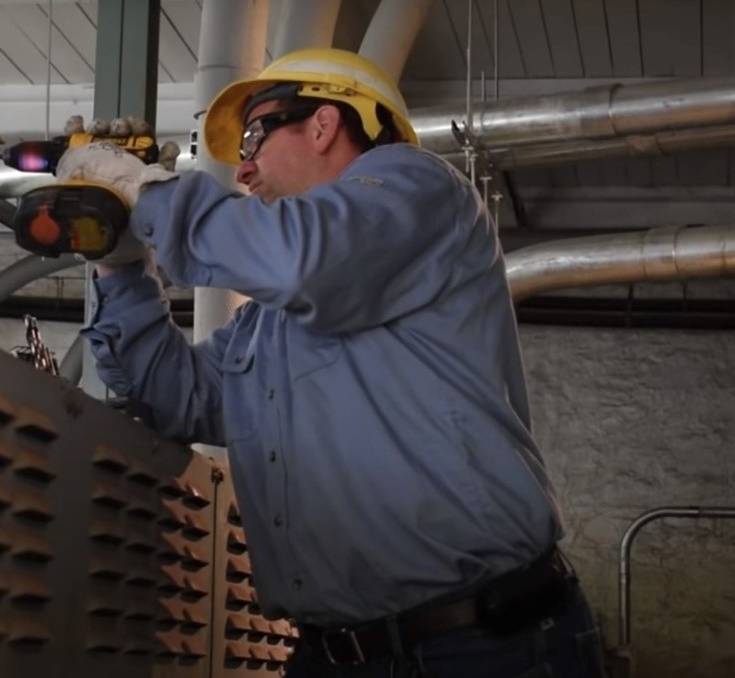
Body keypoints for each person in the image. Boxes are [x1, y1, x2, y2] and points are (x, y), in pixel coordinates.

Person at [57, 49, 605, 677]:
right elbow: (173, 397)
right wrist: (121, 262)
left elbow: (299, 258)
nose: (244, 168)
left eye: (255, 135)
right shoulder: (267, 323)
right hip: (336, 652)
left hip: (482, 646)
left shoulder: (418, 187)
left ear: (322, 124)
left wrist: (144, 191)